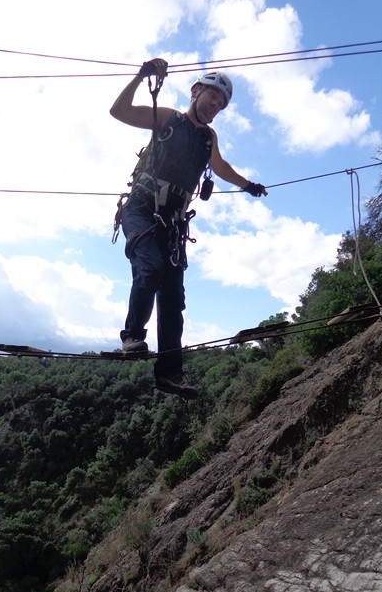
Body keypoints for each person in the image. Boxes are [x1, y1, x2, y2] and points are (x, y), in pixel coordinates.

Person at [110, 58, 267, 399]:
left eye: (221, 104)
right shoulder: (169, 119)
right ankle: (132, 336)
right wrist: (141, 77)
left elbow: (220, 166)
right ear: (196, 91)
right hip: (141, 208)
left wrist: (247, 185)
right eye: (213, 97)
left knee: (173, 301)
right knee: (149, 269)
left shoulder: (208, 138)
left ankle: (170, 374)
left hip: (173, 223)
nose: (216, 106)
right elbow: (119, 111)